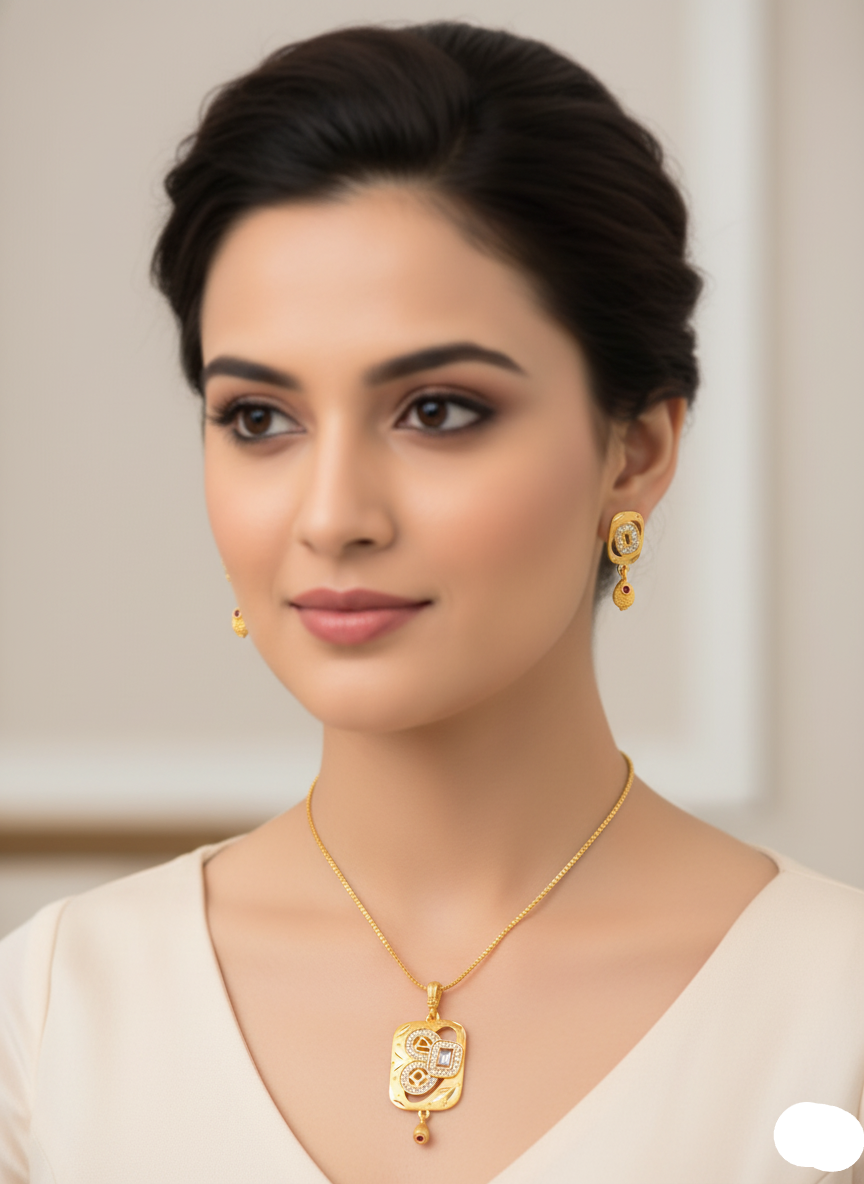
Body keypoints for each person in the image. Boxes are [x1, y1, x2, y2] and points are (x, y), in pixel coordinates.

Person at [1, 21, 863, 1184]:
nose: (331, 513)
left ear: (637, 449)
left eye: (439, 410)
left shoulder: (836, 1017)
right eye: (259, 417)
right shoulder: (51, 1015)